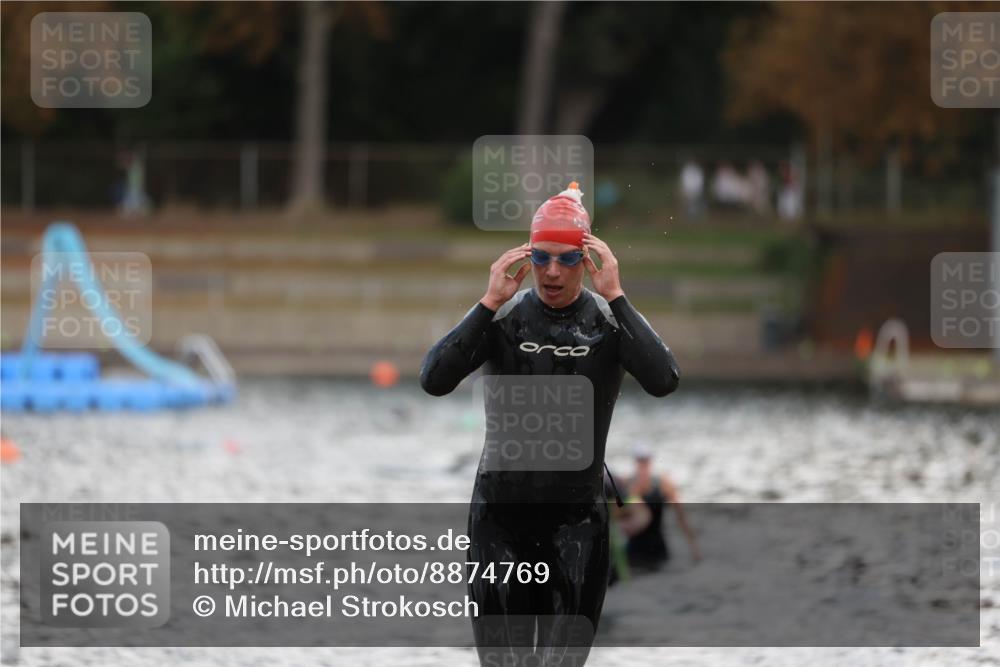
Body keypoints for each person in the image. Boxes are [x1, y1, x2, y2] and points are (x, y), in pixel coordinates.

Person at [420, 182, 680, 666]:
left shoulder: (608, 324)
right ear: (526, 256)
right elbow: (433, 380)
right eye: (541, 258)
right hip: (498, 522)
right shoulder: (502, 318)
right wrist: (487, 301)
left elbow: (664, 380)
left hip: (577, 525)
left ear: (588, 260)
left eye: (566, 259)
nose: (552, 271)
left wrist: (617, 295)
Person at [623, 443, 700, 572]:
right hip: (634, 551)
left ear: (650, 461)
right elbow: (619, 518)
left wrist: (694, 550)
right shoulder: (627, 483)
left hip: (657, 550)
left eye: (645, 461)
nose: (643, 465)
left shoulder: (664, 484)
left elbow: (681, 518)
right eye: (640, 461)